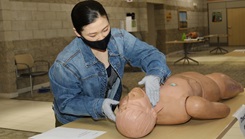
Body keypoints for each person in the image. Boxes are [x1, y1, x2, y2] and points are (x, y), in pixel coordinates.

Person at [48, 0, 170, 127]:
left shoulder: (119, 39)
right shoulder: (65, 64)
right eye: (92, 35)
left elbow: (149, 54)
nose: (101, 38)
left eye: (105, 29)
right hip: (73, 122)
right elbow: (66, 102)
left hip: (108, 116)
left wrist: (155, 74)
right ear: (77, 33)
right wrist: (99, 105)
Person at [115, 72, 244, 138]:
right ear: (151, 113)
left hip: (189, 76)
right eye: (132, 106)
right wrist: (213, 107)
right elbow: (225, 110)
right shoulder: (184, 106)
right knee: (235, 87)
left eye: (123, 105)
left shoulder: (145, 98)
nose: (128, 98)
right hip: (212, 84)